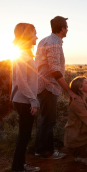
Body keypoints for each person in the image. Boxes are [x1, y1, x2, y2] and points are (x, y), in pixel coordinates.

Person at [35, 16, 80, 159]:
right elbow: (55, 71)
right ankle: (45, 152)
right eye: (66, 27)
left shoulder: (45, 40)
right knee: (49, 120)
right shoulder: (54, 43)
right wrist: (68, 91)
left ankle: (41, 150)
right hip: (48, 87)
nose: (67, 30)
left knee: (46, 119)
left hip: (43, 85)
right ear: (62, 29)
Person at [11, 23, 40, 172]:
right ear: (27, 35)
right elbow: (22, 82)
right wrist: (33, 100)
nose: (37, 36)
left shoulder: (26, 53)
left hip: (24, 99)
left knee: (25, 135)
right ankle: (17, 167)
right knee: (24, 135)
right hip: (24, 101)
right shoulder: (22, 54)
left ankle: (20, 165)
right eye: (35, 33)